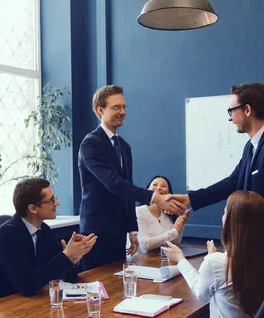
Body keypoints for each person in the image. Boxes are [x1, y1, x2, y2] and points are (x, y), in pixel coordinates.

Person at [172, 83, 264, 251]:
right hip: (261, 249)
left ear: (247, 110)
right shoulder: (252, 146)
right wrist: (190, 198)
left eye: (231, 111)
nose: (230, 118)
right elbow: (233, 181)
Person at [78, 85, 186, 270]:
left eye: (123, 107)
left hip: (118, 231)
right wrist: (156, 198)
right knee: (98, 284)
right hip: (97, 232)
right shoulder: (91, 144)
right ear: (100, 110)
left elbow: (127, 188)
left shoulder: (124, 146)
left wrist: (132, 229)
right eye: (116, 107)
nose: (122, 112)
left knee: (117, 287)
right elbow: (114, 183)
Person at [162, 190, 264, 318]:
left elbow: (201, 294)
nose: (222, 215)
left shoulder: (216, 263)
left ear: (233, 222)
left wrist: (180, 259)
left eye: (225, 211)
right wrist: (212, 259)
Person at [0, 178, 97, 298]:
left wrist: (73, 259)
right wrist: (66, 256)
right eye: (51, 200)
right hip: (6, 305)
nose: (57, 203)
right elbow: (26, 284)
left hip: (35, 300)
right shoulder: (6, 236)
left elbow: (63, 275)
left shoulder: (43, 230)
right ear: (33, 208)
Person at [136, 175, 191, 253]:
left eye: (163, 186)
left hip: (161, 258)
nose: (158, 188)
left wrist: (181, 225)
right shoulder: (139, 212)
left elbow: (175, 241)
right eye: (155, 185)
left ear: (169, 193)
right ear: (147, 190)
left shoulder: (168, 213)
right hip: (142, 261)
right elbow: (145, 245)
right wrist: (174, 231)